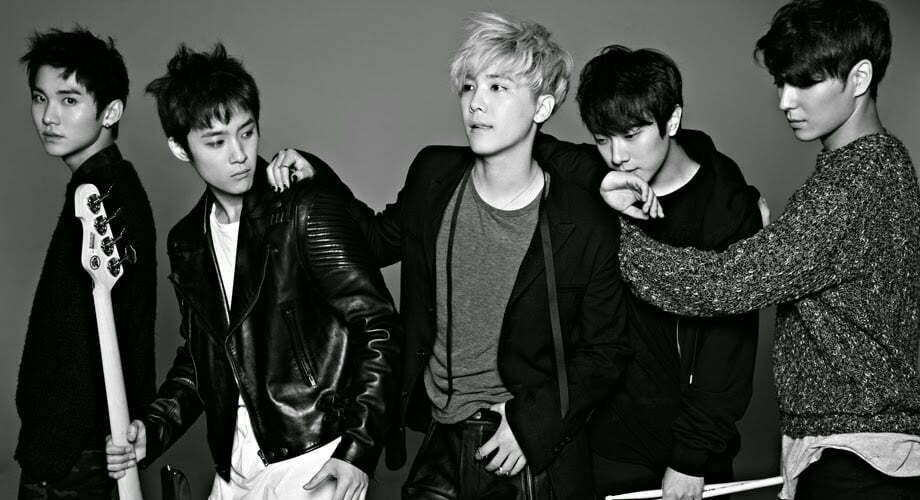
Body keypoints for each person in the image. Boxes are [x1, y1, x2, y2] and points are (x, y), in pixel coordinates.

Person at [269, 12, 632, 499]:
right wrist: (319, 177)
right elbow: (374, 241)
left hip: (523, 445)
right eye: (469, 86)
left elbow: (607, 350)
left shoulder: (582, 219)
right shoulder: (433, 175)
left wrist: (536, 423)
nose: (476, 103)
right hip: (441, 433)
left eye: (498, 87)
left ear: (542, 106)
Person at [601, 1, 920, 498]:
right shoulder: (878, 166)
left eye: (805, 82)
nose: (786, 101)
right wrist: (777, 246)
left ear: (859, 78)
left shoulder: (854, 184)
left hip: (857, 458)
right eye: (781, 82)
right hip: (862, 449)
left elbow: (725, 285)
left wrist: (615, 233)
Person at [104, 43, 402, 500]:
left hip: (315, 453)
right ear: (180, 148)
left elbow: (378, 326)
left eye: (247, 133)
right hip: (234, 464)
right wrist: (155, 428)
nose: (239, 154)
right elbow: (202, 357)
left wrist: (357, 450)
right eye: (216, 142)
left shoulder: (304, 210)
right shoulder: (187, 241)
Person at [533, 45, 763, 499]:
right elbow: (532, 144)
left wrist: (691, 457)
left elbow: (729, 350)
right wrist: (596, 180)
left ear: (671, 120)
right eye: (602, 139)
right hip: (604, 442)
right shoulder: (601, 186)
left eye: (632, 135)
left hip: (693, 452)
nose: (617, 155)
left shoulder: (727, 206)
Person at [15, 27, 157, 500]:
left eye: (69, 100)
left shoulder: (103, 195)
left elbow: (103, 341)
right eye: (40, 98)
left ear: (110, 111)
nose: (48, 116)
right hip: (75, 450)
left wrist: (58, 450)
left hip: (75, 457)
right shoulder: (101, 186)